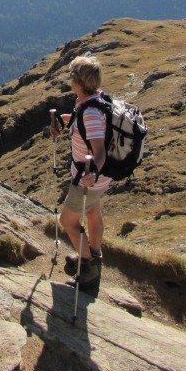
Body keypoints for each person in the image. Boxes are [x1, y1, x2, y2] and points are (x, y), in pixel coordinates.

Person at [51, 54, 111, 289]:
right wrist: (64, 120)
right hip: (101, 178)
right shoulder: (93, 101)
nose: (69, 80)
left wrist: (92, 172)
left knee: (67, 221)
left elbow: (99, 150)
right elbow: (83, 124)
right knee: (93, 211)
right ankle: (94, 254)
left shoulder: (90, 113)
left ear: (78, 81)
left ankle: (88, 269)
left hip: (88, 179)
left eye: (71, 76)